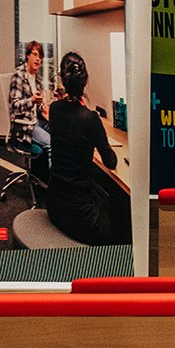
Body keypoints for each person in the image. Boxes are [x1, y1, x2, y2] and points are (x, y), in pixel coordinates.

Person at [45, 51, 129, 246]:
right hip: (80, 219)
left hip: (54, 205)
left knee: (102, 194)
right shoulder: (90, 119)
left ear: (62, 79)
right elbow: (111, 161)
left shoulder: (55, 110)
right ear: (85, 81)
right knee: (121, 220)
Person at [7, 40, 51, 152]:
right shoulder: (19, 75)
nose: (38, 59)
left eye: (40, 57)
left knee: (60, 135)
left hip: (35, 121)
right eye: (35, 55)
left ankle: (41, 169)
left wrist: (42, 106)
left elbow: (38, 103)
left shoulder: (37, 77)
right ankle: (53, 170)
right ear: (27, 55)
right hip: (24, 127)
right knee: (53, 144)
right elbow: (15, 106)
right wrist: (32, 100)